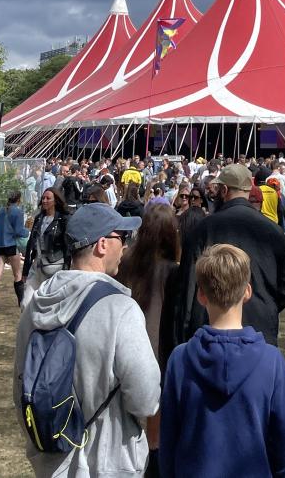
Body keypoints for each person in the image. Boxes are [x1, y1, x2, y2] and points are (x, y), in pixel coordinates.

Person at [14, 203, 157, 478]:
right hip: (109, 462)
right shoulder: (120, 309)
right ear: (102, 244)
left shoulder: (35, 307)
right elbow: (146, 399)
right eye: (122, 237)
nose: (126, 246)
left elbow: (20, 391)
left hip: (50, 461)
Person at [160, 244, 285, 477]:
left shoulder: (180, 359)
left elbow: (168, 442)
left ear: (201, 295)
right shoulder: (271, 361)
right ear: (247, 291)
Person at [174, 165, 285, 347]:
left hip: (211, 330)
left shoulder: (203, 229)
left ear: (224, 190)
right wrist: (264, 305)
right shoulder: (274, 231)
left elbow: (188, 288)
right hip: (259, 327)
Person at [121, 202, 180, 474]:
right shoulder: (172, 271)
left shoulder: (126, 263)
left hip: (127, 344)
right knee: (155, 416)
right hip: (157, 349)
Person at [21, 188, 70, 305]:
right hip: (36, 265)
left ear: (56, 201)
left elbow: (67, 246)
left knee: (49, 304)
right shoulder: (39, 218)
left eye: (48, 198)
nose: (44, 200)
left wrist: (66, 269)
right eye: (43, 198)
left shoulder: (63, 220)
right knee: (26, 303)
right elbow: (30, 244)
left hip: (55, 267)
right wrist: (25, 270)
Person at [0, 190, 29, 311]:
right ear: (19, 199)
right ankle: (22, 303)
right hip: (11, 245)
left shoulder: (1, 210)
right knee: (17, 275)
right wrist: (28, 232)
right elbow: (19, 231)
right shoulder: (18, 211)